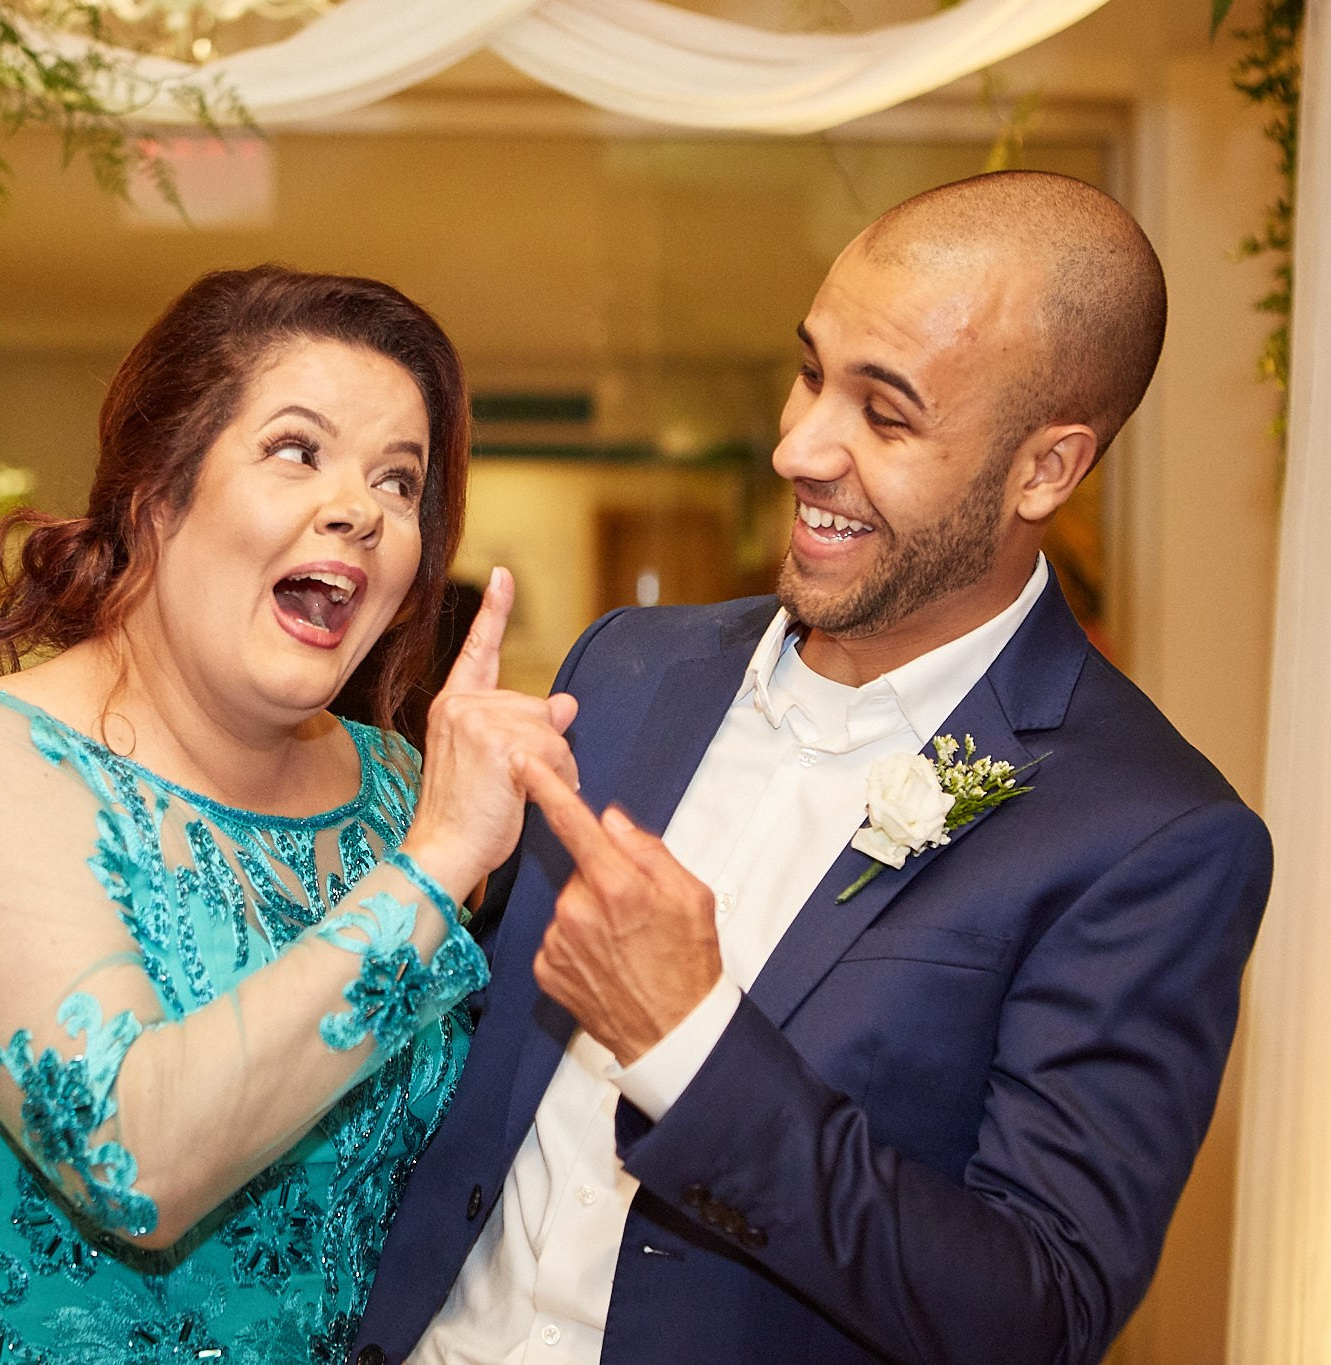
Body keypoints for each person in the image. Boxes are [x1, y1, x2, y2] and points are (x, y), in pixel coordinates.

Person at [353, 171, 1274, 1365]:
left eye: (884, 416)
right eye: (808, 372)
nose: (796, 446)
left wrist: (687, 1044)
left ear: (1042, 470)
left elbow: (1032, 1316)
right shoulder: (628, 667)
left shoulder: (1151, 838)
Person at [0, 265, 574, 1364]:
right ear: (155, 487)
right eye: (296, 450)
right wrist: (436, 866)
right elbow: (129, 1156)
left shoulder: (396, 792)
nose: (358, 511)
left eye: (398, 482)